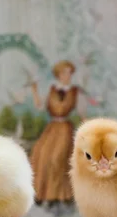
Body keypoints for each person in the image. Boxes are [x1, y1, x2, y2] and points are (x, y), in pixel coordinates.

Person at [30, 60, 80, 205]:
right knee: (40, 152)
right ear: (58, 74)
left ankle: (59, 196)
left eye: (70, 72)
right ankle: (41, 194)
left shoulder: (75, 91)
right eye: (65, 72)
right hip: (52, 128)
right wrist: (34, 91)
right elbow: (40, 107)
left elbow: (82, 112)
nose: (68, 75)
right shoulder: (52, 89)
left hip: (65, 129)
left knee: (57, 158)